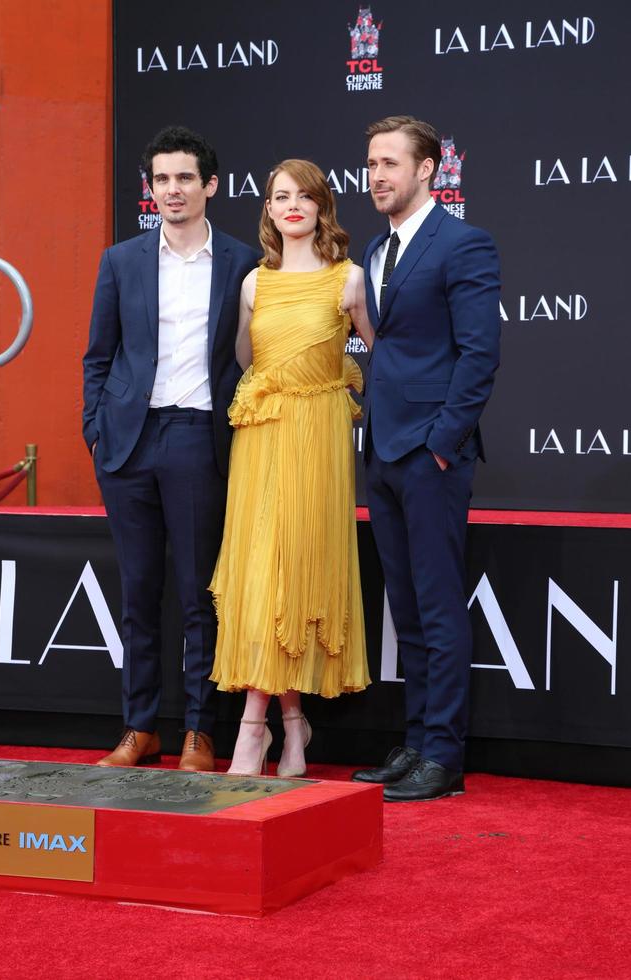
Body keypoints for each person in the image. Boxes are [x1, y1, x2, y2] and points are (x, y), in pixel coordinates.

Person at [82, 126, 259, 770]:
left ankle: (197, 730)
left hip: (196, 437)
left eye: (185, 178)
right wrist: (95, 427)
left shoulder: (242, 262)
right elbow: (98, 354)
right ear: (150, 188)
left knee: (196, 595)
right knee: (137, 593)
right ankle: (138, 727)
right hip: (127, 443)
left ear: (210, 186)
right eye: (162, 179)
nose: (173, 190)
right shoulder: (121, 260)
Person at [351, 116, 500, 801]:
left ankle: (444, 754)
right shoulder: (377, 253)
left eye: (390, 163)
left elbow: (479, 356)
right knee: (405, 612)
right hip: (382, 453)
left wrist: (441, 446)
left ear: (427, 170)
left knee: (438, 608)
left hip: (429, 457)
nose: (376, 175)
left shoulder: (463, 245)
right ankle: (415, 744)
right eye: (371, 163)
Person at [209, 159, 373, 777]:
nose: (293, 205)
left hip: (320, 437)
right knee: (262, 575)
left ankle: (259, 729)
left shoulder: (350, 280)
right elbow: (248, 362)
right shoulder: (253, 284)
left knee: (299, 571)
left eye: (305, 195)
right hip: (261, 438)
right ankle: (290, 725)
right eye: (282, 196)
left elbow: (386, 355)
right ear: (269, 210)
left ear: (322, 205)